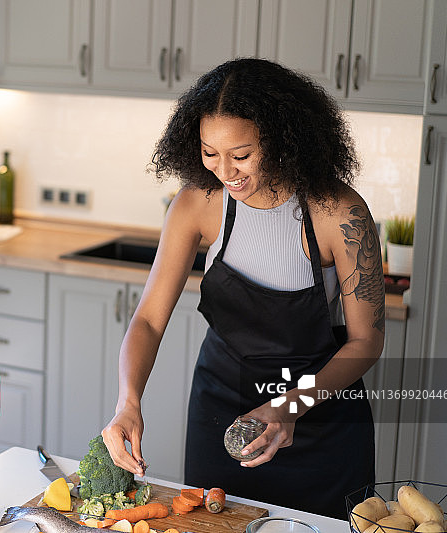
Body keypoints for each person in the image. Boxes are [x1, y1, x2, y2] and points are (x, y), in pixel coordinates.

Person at [101, 58, 385, 519]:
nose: (224, 171)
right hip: (222, 409)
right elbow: (149, 320)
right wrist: (127, 400)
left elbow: (366, 341)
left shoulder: (339, 212)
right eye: (209, 153)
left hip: (320, 415)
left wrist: (290, 407)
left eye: (242, 154)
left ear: (282, 139)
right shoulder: (197, 204)